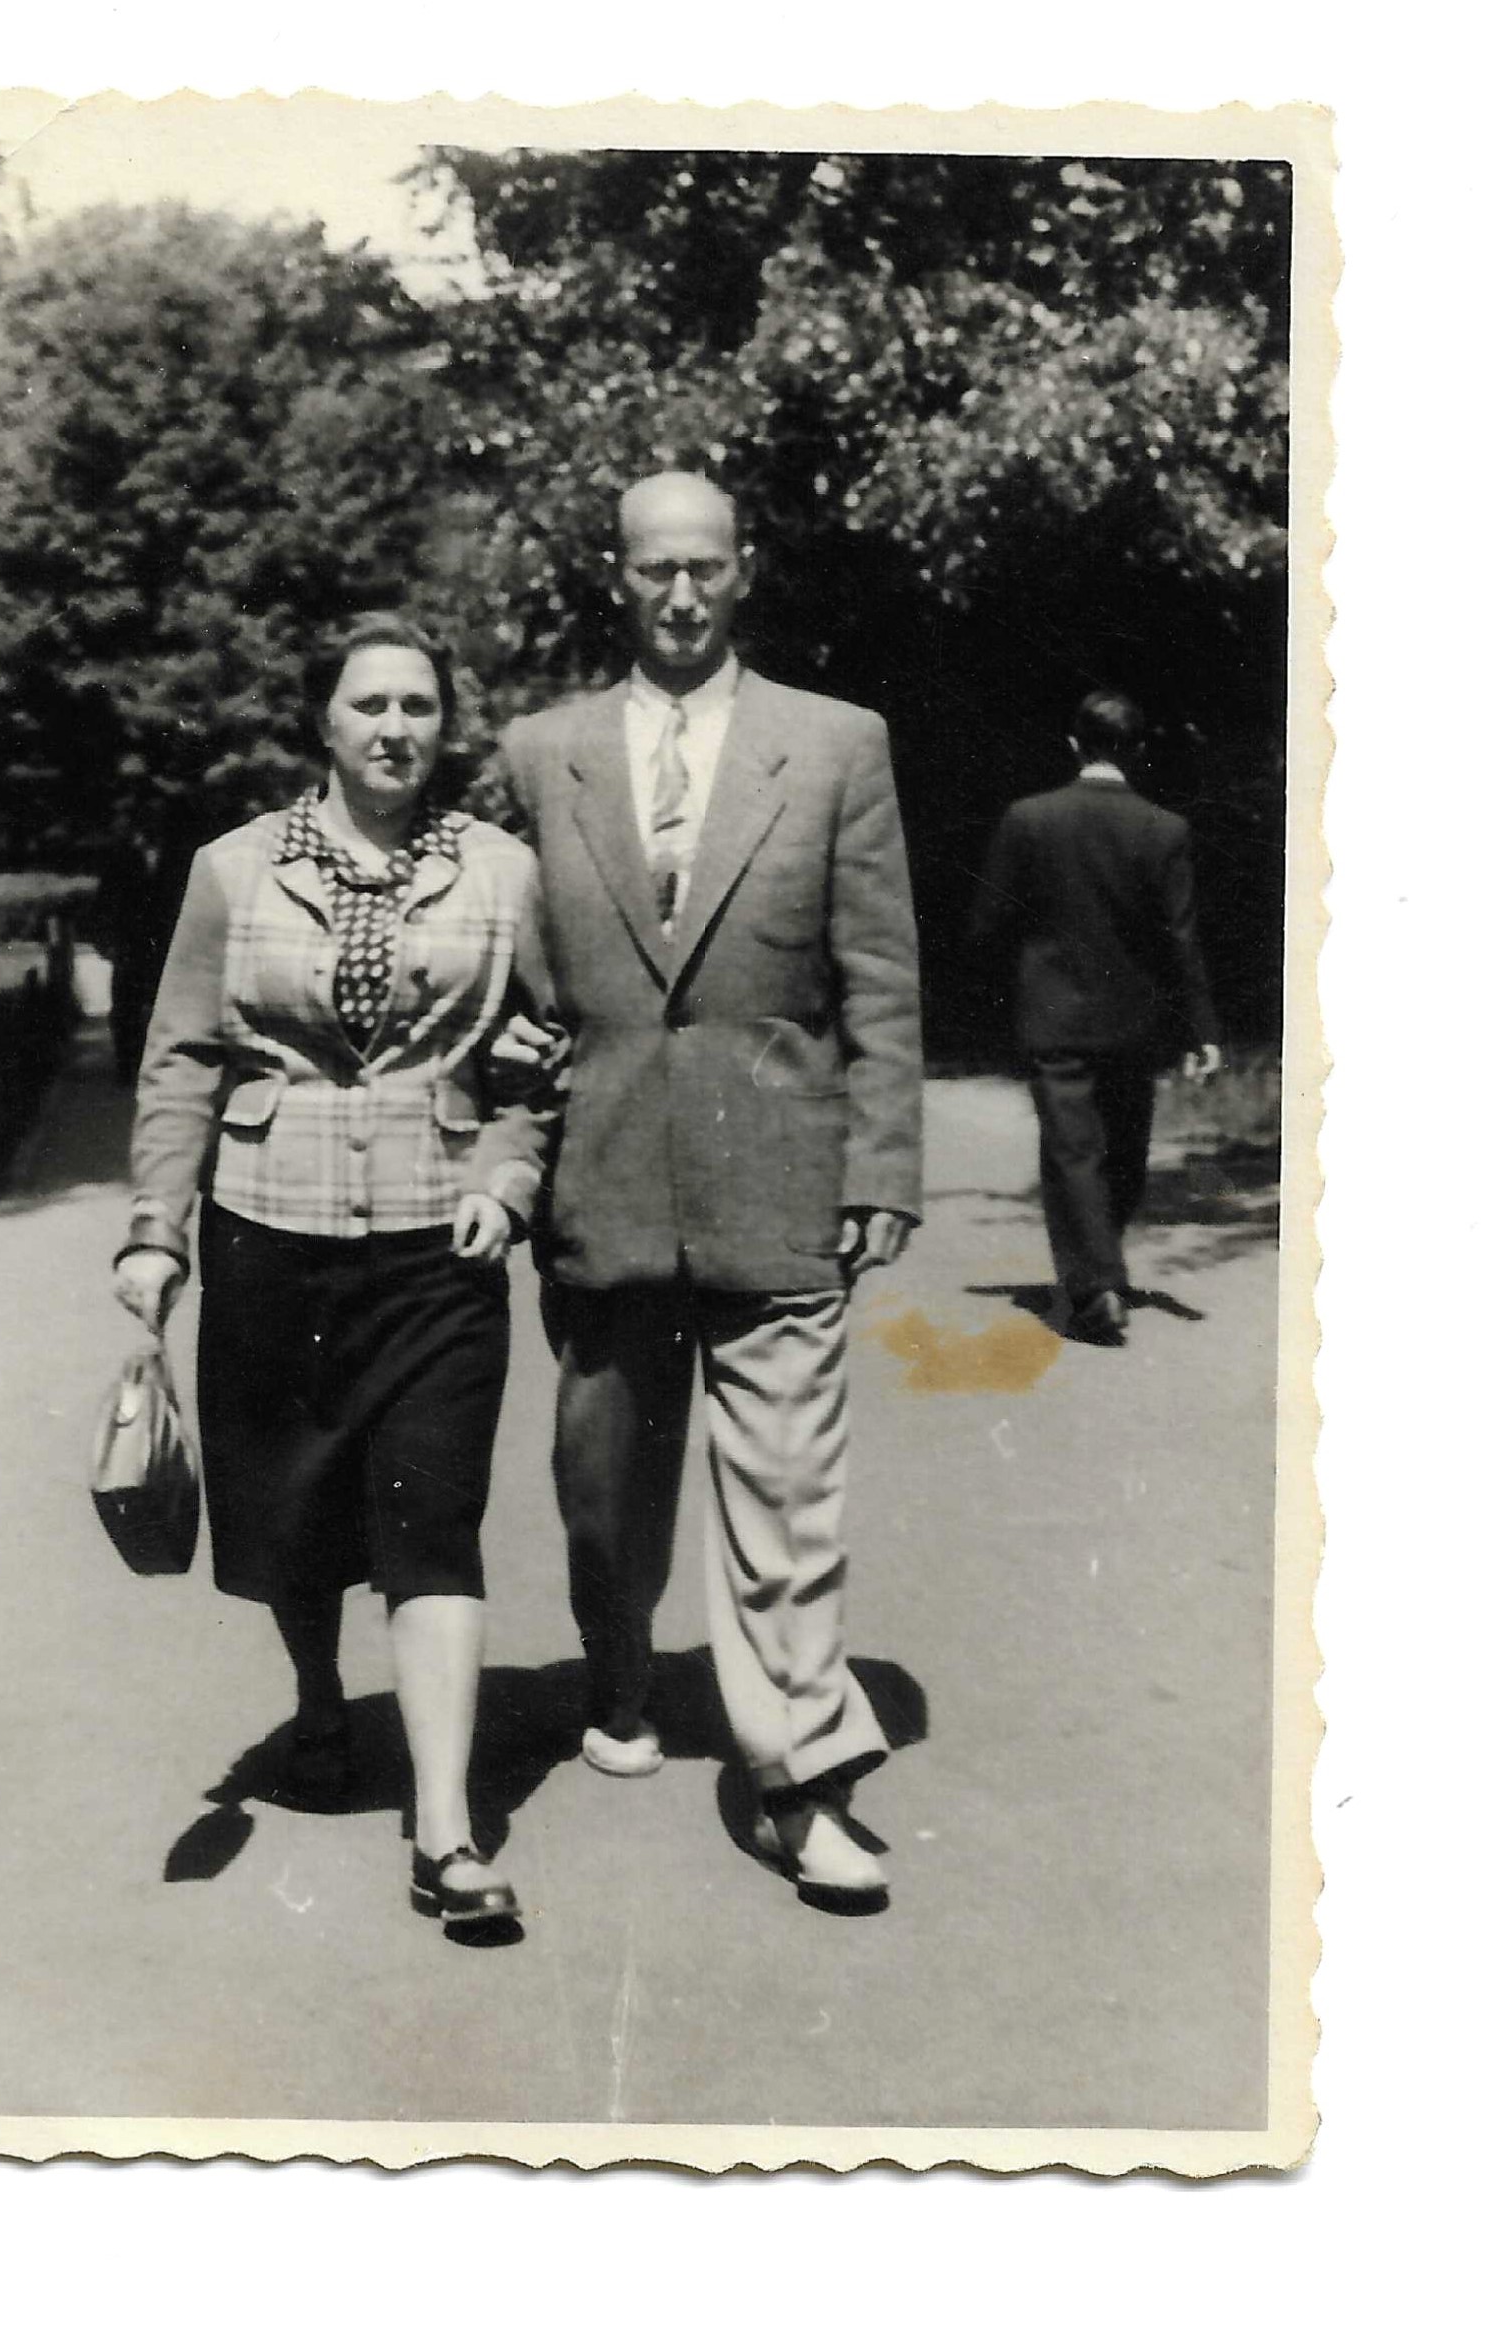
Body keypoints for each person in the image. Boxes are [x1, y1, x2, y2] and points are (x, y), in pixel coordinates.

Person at [486, 473, 921, 1914]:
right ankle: (617, 1666)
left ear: (745, 571)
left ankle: (802, 1785)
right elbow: (500, 962)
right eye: (655, 570)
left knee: (790, 1494)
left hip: (778, 1174)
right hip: (601, 1177)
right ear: (617, 577)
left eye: (706, 568)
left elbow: (880, 976)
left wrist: (882, 1163)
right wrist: (503, 1064)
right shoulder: (539, 753)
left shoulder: (838, 743)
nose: (682, 595)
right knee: (603, 1491)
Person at [114, 612, 552, 1938]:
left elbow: (550, 1049)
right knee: (295, 1519)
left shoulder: (506, 873)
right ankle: (318, 1698)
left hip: (439, 1246)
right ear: (324, 719)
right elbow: (183, 1057)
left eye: (418, 706)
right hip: (269, 1234)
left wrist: (507, 1177)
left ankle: (445, 1829)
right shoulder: (234, 870)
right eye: (370, 704)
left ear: (446, 725)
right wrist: (155, 1229)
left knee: (433, 1519)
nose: (395, 729)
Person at [970, 689, 1226, 1345]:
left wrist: (1002, 997)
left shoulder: (1028, 819)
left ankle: (1096, 1281)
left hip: (1052, 1015)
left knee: (1073, 1152)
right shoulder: (1165, 829)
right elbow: (1181, 939)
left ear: (1073, 744)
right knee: (1124, 1152)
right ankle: (1098, 1278)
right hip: (1135, 1022)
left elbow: (990, 923)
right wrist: (1202, 1030)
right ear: (1137, 750)